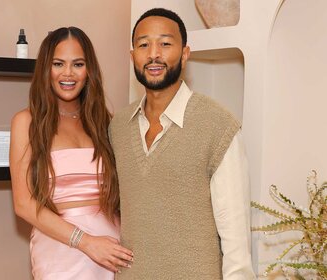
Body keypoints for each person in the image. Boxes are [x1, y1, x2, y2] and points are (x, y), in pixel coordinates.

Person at [109, 8, 256, 279]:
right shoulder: (117, 127)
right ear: (133, 57)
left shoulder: (218, 125)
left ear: (185, 53)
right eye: (143, 45)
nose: (154, 54)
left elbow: (236, 242)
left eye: (165, 44)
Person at [9, 27, 133, 280]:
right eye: (58, 64)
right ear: (46, 69)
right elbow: (23, 204)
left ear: (89, 72)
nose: (68, 73)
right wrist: (86, 242)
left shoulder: (104, 122)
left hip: (112, 251)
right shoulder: (26, 122)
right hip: (61, 251)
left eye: (78, 64)